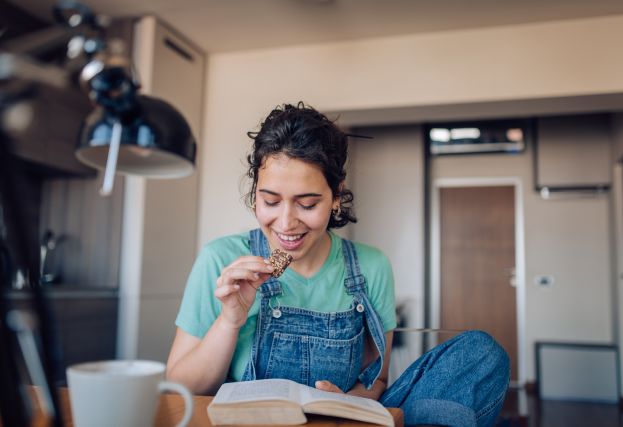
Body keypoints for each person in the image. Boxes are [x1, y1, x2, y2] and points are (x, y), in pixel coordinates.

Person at [167, 102, 510, 427]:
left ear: (335, 197)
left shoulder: (371, 267)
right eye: (270, 201)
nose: (286, 223)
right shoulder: (221, 259)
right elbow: (180, 389)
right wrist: (230, 320)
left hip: (343, 421)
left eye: (308, 203)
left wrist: (349, 406)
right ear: (256, 192)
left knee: (481, 353)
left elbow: (377, 380)